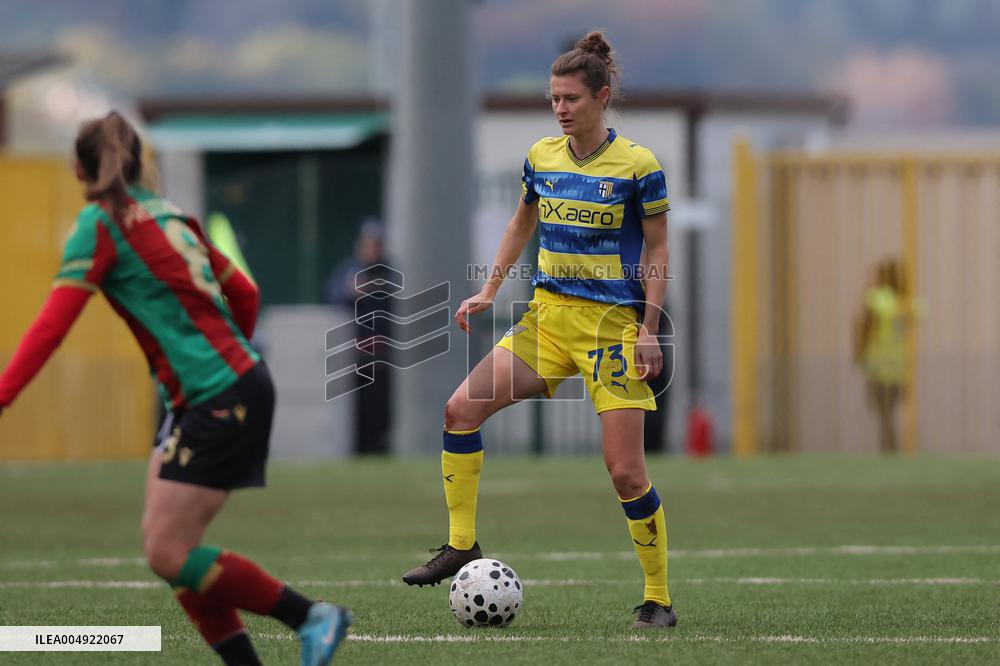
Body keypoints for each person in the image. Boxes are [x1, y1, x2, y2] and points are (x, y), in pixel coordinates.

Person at [0, 112, 352, 665]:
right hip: (225, 387)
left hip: (218, 395)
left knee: (168, 551)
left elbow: (50, 327)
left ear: (79, 169)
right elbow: (245, 294)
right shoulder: (172, 215)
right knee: (173, 552)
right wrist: (226, 357)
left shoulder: (101, 225)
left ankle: (310, 616)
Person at [401, 32, 676, 629]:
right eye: (554, 98)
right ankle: (462, 545)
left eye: (571, 98)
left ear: (602, 97)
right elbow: (519, 225)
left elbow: (657, 249)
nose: (560, 108)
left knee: (625, 471)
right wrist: (489, 290)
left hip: (611, 330)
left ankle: (658, 598)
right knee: (460, 411)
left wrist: (649, 328)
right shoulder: (541, 157)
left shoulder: (639, 165)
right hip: (547, 321)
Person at [326, 220, 395, 454]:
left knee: (381, 407)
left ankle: (380, 447)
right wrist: (351, 292)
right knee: (359, 407)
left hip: (384, 355)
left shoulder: (389, 272)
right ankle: (361, 448)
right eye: (367, 244)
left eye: (375, 245)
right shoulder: (350, 270)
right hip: (357, 354)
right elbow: (334, 297)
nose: (371, 250)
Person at [855, 258, 922, 453]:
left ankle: (888, 448)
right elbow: (916, 314)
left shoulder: (879, 298)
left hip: (881, 361)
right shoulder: (904, 303)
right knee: (887, 411)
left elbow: (867, 315)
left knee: (884, 411)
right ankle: (890, 447)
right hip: (895, 362)